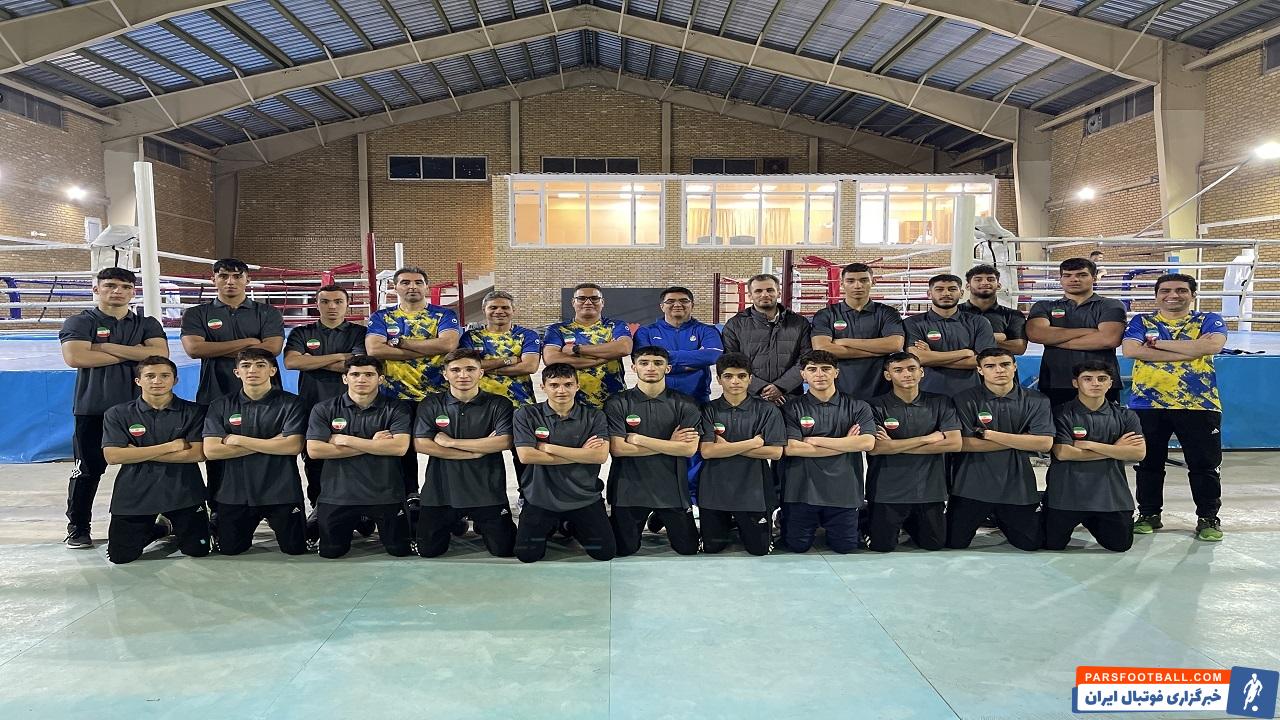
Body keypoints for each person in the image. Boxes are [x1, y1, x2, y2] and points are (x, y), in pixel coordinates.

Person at [58, 267, 168, 549]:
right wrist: (135, 353)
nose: (117, 291)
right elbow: (76, 357)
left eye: (125, 286)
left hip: (139, 410)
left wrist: (105, 347)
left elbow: (159, 356)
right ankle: (78, 527)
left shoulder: (147, 323)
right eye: (110, 285)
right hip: (93, 409)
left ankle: (152, 522)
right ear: (96, 289)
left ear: (133, 292)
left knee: (149, 465)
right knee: (87, 470)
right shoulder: (80, 321)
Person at [1121, 273, 1227, 542]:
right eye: (1165, 290)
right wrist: (1192, 349)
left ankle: (1208, 518)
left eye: (1181, 290)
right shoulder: (1141, 321)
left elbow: (1212, 346)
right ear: (1157, 295)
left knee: (1204, 465)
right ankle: (1148, 514)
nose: (1173, 295)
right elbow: (1131, 351)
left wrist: (1157, 344)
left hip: (1199, 404)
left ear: (1192, 295)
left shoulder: (1208, 319)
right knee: (1148, 463)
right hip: (1147, 404)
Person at [180, 258, 285, 513]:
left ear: (247, 280)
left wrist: (217, 348)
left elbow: (271, 348)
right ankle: (219, 510)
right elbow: (194, 349)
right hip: (215, 393)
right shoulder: (197, 313)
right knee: (219, 453)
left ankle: (272, 507)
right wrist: (249, 342)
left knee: (270, 448)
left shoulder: (267, 312)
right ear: (213, 279)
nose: (230, 282)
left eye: (237, 276)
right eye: (224, 276)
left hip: (264, 395)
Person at [365, 266, 461, 512]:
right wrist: (427, 349)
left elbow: (448, 344)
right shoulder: (382, 317)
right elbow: (375, 349)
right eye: (405, 282)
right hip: (394, 396)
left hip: (437, 395)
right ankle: (409, 494)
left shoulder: (444, 315)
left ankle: (444, 495)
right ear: (395, 287)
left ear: (426, 287)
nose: (412, 287)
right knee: (401, 448)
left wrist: (400, 344)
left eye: (418, 282)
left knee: (442, 444)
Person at [101, 356, 209, 564]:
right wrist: (170, 446)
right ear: (138, 381)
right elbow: (113, 456)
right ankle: (162, 528)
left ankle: (178, 524)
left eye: (164, 376)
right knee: (121, 557)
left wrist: (136, 453)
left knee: (198, 550)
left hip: (184, 493)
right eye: (150, 376)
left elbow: (197, 454)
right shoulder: (117, 414)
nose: (157, 381)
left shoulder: (194, 411)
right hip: (134, 495)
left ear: (175, 380)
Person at [201, 349, 308, 555]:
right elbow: (212, 451)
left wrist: (238, 440)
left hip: (281, 493)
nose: (252, 370)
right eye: (246, 366)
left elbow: (293, 446)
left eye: (260, 365)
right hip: (235, 495)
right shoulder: (220, 405)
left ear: (272, 371)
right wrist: (273, 443)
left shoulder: (292, 403)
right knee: (231, 550)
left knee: (295, 549)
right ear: (237, 372)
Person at [305, 356, 414, 559]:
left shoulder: (397, 408)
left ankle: (366, 521)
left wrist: (345, 440)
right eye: (355, 374)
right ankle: (360, 522)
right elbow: (315, 450)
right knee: (331, 552)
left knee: (399, 550)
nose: (361, 379)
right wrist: (373, 444)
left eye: (369, 374)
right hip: (338, 496)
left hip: (385, 495)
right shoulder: (324, 409)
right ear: (345, 378)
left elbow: (399, 448)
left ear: (380, 379)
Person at [947, 348, 1054, 550]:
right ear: (980, 370)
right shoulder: (963, 399)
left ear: (1015, 366)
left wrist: (989, 435)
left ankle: (1003, 518)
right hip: (971, 487)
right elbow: (963, 444)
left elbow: (1044, 444)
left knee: (1031, 544)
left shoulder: (1037, 400)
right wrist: (1022, 440)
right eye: (990, 366)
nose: (999, 370)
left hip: (1017, 488)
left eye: (1005, 364)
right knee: (954, 543)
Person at [412, 349, 516, 558]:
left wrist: (451, 442)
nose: (463, 375)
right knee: (428, 551)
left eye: (470, 369)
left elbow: (504, 441)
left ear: (481, 373)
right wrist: (475, 452)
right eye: (455, 370)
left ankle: (477, 523)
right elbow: (421, 444)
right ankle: (455, 523)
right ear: (445, 374)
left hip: (487, 493)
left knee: (505, 550)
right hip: (441, 494)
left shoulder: (499, 404)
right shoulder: (431, 403)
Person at [283, 284, 367, 536]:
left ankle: (360, 508)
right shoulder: (302, 332)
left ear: (347, 304)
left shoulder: (360, 333)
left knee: (356, 456)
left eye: (338, 301)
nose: (332, 306)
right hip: (312, 405)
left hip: (354, 407)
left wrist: (312, 361)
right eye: (325, 301)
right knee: (315, 459)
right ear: (316, 304)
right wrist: (339, 356)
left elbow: (356, 367)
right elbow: (292, 362)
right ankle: (319, 507)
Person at [512, 363, 616, 563]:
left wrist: (548, 448)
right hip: (541, 498)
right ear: (543, 387)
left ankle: (569, 526)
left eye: (568, 384)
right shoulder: (526, 414)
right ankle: (553, 525)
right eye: (554, 385)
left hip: (583, 497)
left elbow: (599, 457)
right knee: (527, 555)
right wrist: (581, 453)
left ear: (577, 386)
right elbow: (526, 456)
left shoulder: (595, 416)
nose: (561, 390)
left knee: (605, 553)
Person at [605, 346, 702, 556]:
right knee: (624, 549)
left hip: (671, 491)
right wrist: (670, 444)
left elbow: (687, 449)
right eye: (644, 363)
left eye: (658, 363)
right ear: (633, 367)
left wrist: (639, 439)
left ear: (668, 368)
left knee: (688, 549)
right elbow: (618, 448)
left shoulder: (686, 404)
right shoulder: (617, 403)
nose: (651, 368)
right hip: (629, 492)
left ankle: (659, 516)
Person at [780, 350, 877, 553]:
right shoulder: (790, 408)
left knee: (845, 548)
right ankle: (783, 517)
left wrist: (815, 441)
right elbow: (791, 448)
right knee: (797, 547)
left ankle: (861, 519)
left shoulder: (858, 406)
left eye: (826, 369)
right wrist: (846, 443)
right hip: (801, 493)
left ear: (836, 373)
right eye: (812, 369)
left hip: (844, 493)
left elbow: (867, 443)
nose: (819, 374)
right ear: (803, 374)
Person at [1044, 361, 1145, 552]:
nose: (1095, 383)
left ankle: (1092, 519)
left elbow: (1138, 453)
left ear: (1110, 383)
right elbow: (1063, 453)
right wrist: (1115, 450)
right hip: (1066, 497)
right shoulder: (1060, 414)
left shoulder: (1126, 416)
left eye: (1102, 379)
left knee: (1120, 545)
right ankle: (1045, 502)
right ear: (1076, 383)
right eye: (1088, 379)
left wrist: (1091, 445)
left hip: (1110, 498)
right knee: (1051, 545)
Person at [865, 353, 961, 552]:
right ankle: (865, 519)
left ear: (921, 372)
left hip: (929, 490)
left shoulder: (941, 402)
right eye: (898, 370)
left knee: (934, 545)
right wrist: (927, 438)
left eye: (912, 369)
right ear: (888, 375)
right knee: (882, 547)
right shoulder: (873, 406)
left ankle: (907, 522)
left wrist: (895, 446)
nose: (907, 374)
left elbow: (954, 443)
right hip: (887, 492)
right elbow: (876, 448)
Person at [698, 352, 786, 555]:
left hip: (753, 492)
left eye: (741, 376)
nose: (735, 381)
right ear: (718, 379)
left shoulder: (767, 410)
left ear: (750, 379)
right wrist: (753, 443)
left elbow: (775, 452)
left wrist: (726, 447)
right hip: (715, 491)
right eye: (728, 376)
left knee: (759, 550)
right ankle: (731, 523)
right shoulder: (708, 410)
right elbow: (708, 451)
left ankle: (741, 524)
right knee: (711, 548)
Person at [459, 290, 541, 492]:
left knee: (522, 452)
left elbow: (529, 366)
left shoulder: (527, 335)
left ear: (513, 310)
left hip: (520, 404)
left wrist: (485, 367)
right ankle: (482, 496)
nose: (499, 311)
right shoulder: (471, 337)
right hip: (480, 405)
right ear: (484, 310)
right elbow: (467, 366)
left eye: (505, 307)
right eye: (493, 307)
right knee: (481, 451)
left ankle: (526, 495)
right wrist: (509, 360)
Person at [1026, 257, 1126, 407]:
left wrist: (1053, 340)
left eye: (1082, 275)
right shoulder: (1044, 306)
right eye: (1067, 275)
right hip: (1056, 381)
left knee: (1104, 422)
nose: (1074, 279)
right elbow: (1037, 334)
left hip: (1100, 383)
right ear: (1060, 279)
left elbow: (1109, 339)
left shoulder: (1111, 305)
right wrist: (1090, 332)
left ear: (1094, 278)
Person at [811, 263, 905, 401]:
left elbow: (895, 345)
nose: (857, 286)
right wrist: (877, 351)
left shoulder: (888, 313)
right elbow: (822, 349)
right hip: (838, 392)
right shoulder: (826, 314)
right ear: (842, 283)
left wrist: (846, 342)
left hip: (881, 391)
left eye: (863, 280)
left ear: (873, 282)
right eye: (850, 281)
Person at [720, 273, 812, 406]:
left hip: (790, 397)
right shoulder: (735, 325)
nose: (764, 294)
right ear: (750, 295)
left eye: (770, 290)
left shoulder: (799, 323)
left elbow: (806, 359)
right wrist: (761, 388)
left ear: (778, 293)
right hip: (749, 398)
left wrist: (781, 387)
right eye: (758, 291)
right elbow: (730, 362)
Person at [542, 283, 633, 409]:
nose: (588, 302)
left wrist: (577, 349)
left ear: (602, 302)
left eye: (594, 298)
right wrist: (600, 359)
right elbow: (551, 359)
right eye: (582, 298)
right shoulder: (558, 329)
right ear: (573, 302)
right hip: (572, 403)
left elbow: (624, 347)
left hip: (614, 400)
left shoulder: (615, 326)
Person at [903, 273, 996, 396]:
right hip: (926, 394)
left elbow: (985, 361)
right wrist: (964, 353)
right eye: (939, 289)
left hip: (970, 394)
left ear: (961, 293)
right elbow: (918, 358)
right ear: (929, 294)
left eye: (952, 289)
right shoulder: (912, 323)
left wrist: (932, 356)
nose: (946, 293)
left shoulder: (979, 322)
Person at [633, 286, 723, 404]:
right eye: (670, 301)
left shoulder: (707, 331)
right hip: (655, 398)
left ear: (692, 305)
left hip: (697, 399)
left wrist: (662, 361)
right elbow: (643, 360)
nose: (677, 305)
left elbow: (712, 356)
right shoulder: (645, 332)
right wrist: (692, 363)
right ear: (662, 306)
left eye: (683, 301)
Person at [960, 265, 1028, 357]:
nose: (985, 283)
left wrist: (970, 339)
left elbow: (1019, 348)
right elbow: (947, 343)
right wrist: (997, 338)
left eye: (990, 279)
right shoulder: (955, 312)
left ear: (998, 285)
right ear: (968, 286)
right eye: (978, 280)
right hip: (962, 365)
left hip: (999, 365)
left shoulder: (1013, 315)